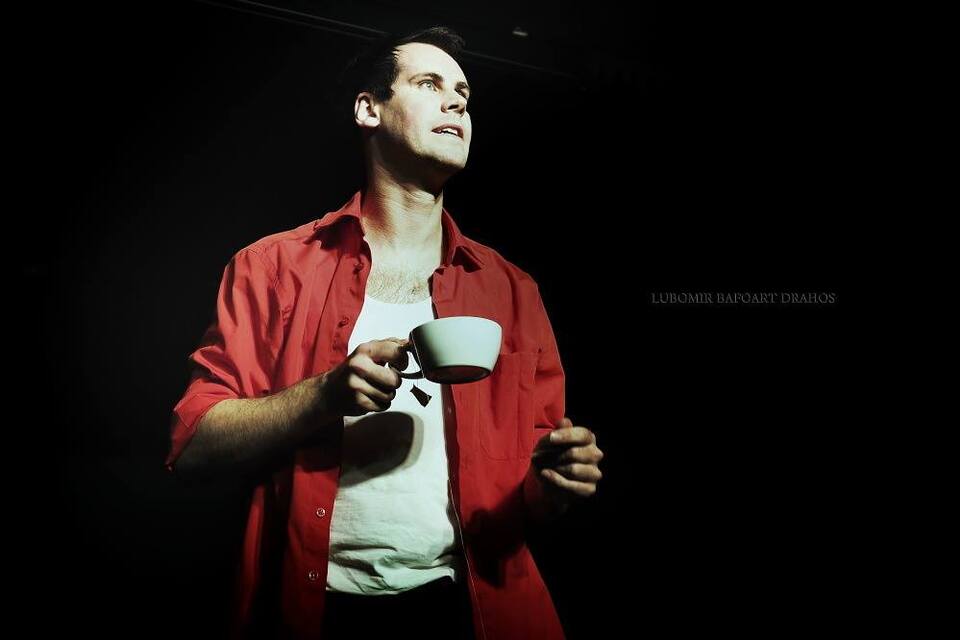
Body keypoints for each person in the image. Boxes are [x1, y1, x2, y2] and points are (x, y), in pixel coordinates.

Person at [165, 26, 604, 639]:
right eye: (429, 84)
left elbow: (529, 490)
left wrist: (558, 481)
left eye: (463, 94)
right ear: (369, 109)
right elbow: (192, 448)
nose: (456, 103)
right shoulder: (271, 267)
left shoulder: (512, 290)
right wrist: (324, 395)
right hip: (316, 610)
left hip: (466, 607)